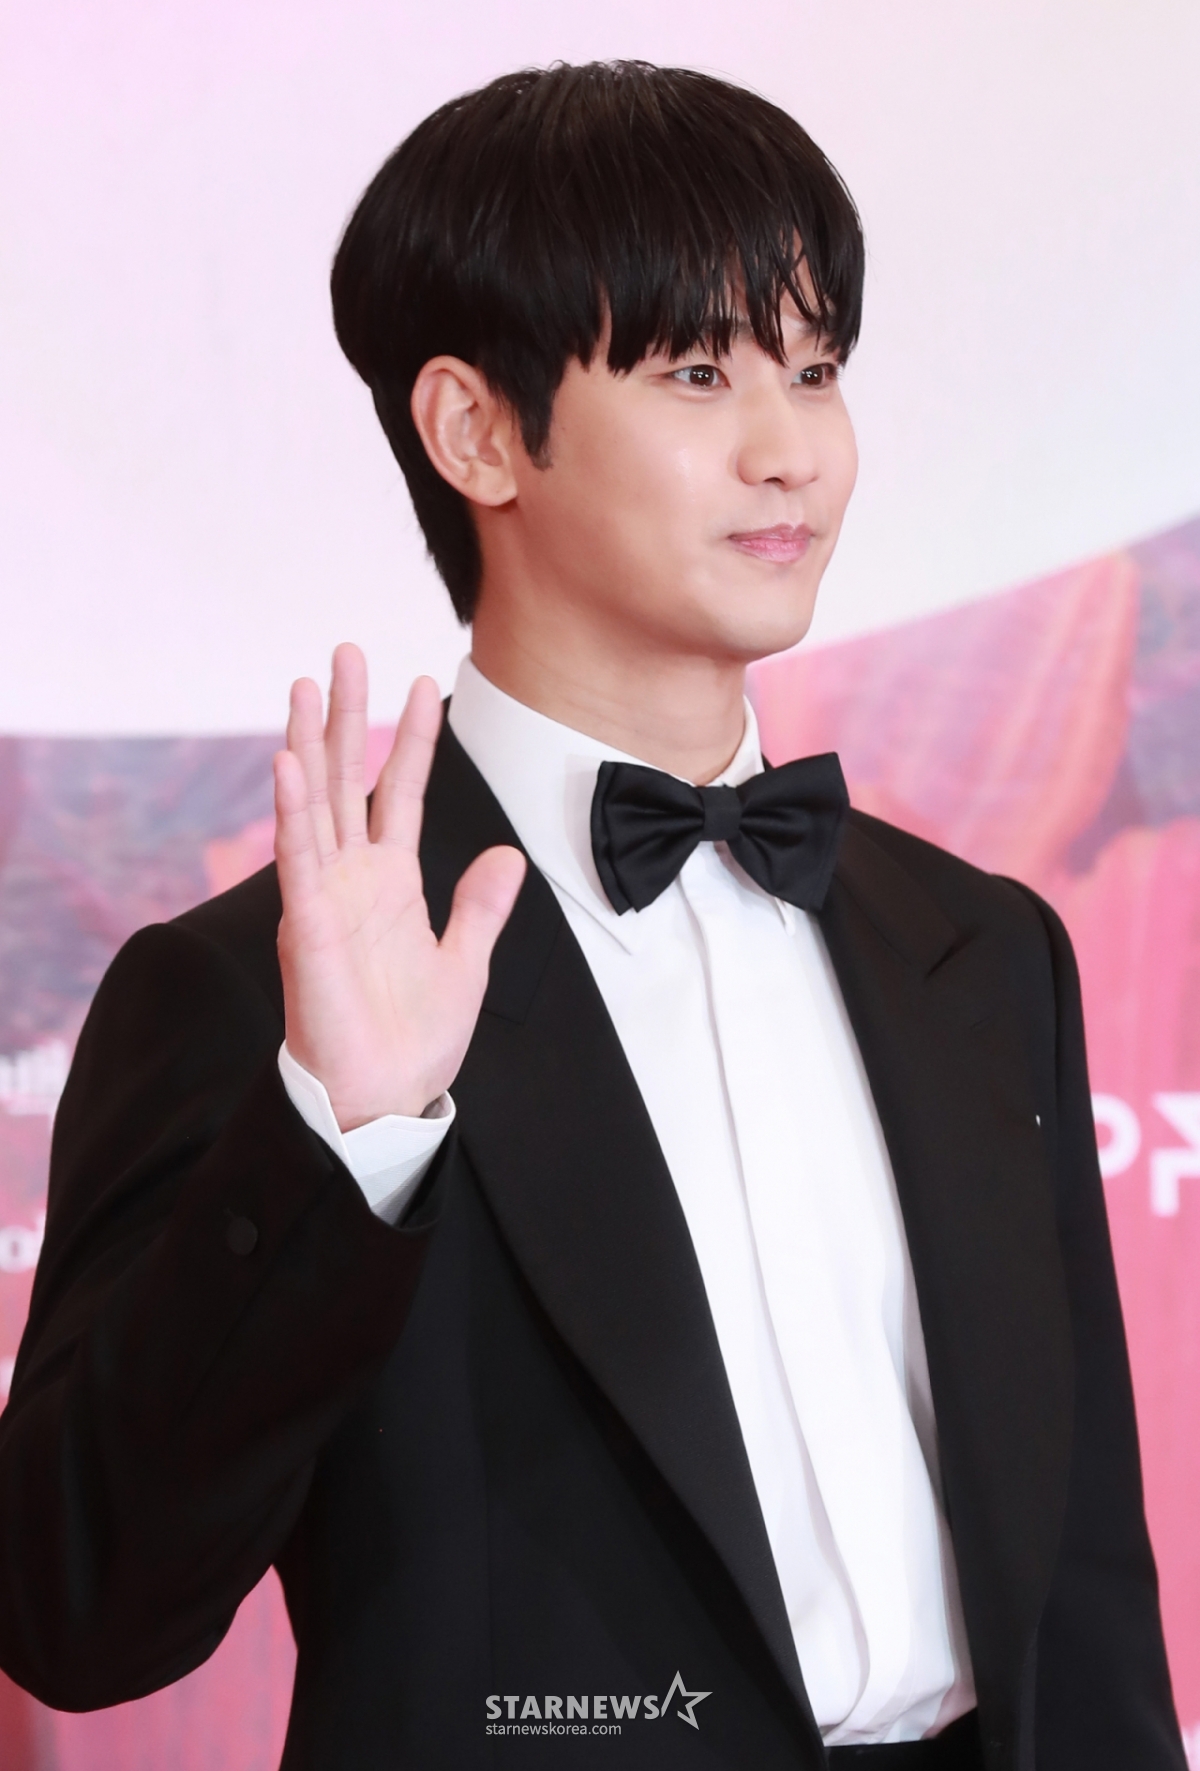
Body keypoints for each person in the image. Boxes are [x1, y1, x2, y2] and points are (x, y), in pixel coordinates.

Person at [0, 60, 1186, 1771]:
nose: (790, 450)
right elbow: (78, 1611)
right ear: (477, 432)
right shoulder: (256, 993)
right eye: (700, 372)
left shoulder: (985, 950)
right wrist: (346, 1140)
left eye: (815, 368)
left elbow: (1083, 1595)